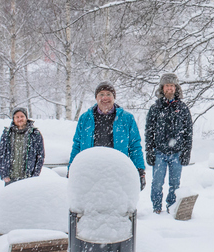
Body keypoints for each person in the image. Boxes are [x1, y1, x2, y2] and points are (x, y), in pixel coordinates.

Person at [70, 82, 146, 188]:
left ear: (114, 97)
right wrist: (72, 169)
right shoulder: (85, 118)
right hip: (90, 170)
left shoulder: (127, 118)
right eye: (101, 94)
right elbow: (77, 145)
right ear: (96, 98)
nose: (105, 98)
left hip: (117, 170)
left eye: (109, 94)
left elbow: (134, 146)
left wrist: (140, 171)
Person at [145, 73, 193, 214]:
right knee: (157, 183)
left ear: (176, 88)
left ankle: (172, 206)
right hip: (159, 152)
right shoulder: (155, 108)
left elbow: (188, 132)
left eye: (172, 86)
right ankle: (156, 208)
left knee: (175, 184)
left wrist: (186, 151)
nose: (170, 88)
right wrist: (149, 150)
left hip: (177, 153)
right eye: (167, 86)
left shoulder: (183, 108)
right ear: (162, 88)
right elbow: (149, 131)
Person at [0, 107, 45, 185]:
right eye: (17, 117)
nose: (20, 119)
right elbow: (1, 155)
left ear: (26, 117)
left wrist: (35, 175)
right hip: (10, 178)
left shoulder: (35, 134)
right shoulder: (7, 134)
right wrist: (4, 174)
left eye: (22, 116)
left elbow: (40, 156)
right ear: (13, 119)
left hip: (28, 178)